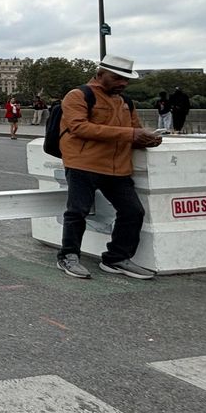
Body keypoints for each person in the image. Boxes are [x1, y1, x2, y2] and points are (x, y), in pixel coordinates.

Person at [55, 54, 162, 281]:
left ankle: (116, 257)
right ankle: (68, 255)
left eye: (126, 80)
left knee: (133, 212)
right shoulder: (78, 95)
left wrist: (147, 138)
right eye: (117, 78)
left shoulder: (125, 101)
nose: (122, 83)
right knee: (78, 211)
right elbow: (79, 128)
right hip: (83, 163)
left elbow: (135, 130)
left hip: (117, 167)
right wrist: (132, 134)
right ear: (100, 74)